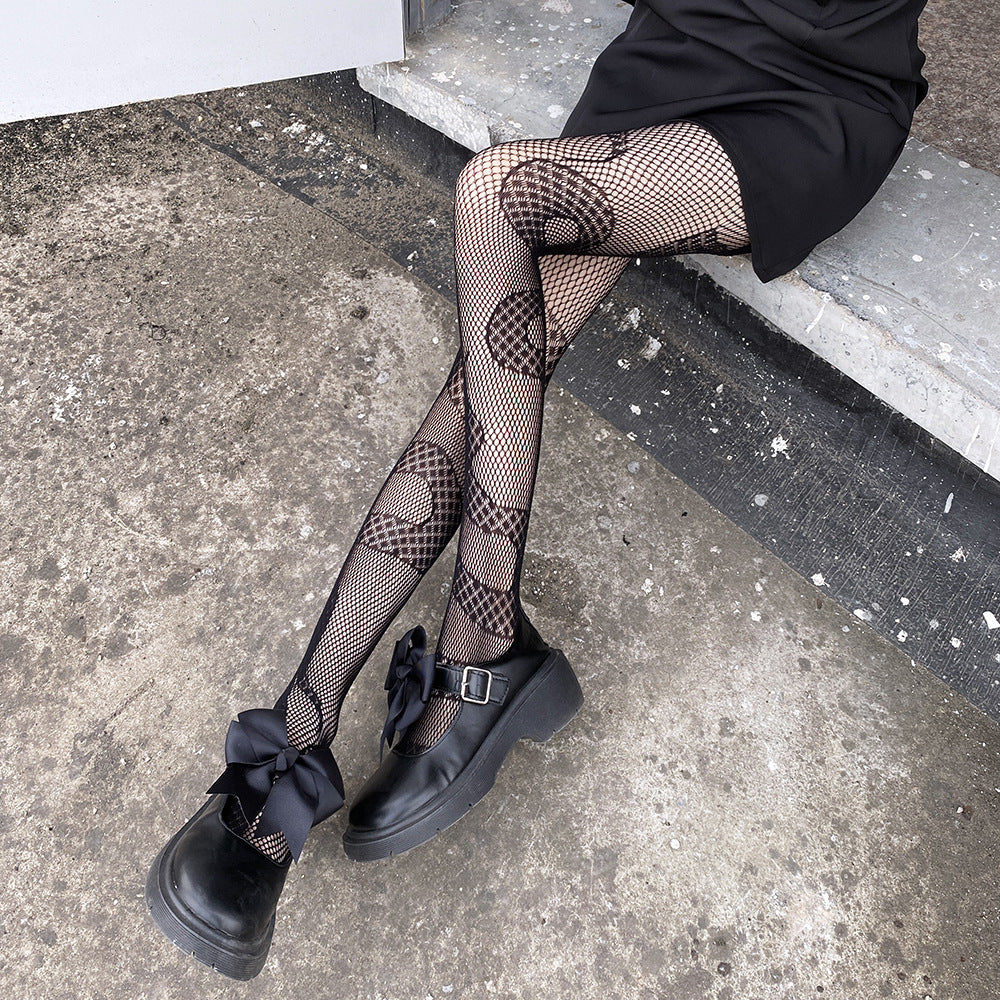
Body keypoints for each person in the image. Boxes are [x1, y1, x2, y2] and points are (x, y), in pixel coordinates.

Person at [145, 0, 928, 979]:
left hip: (814, 89)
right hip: (675, 49)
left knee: (498, 195)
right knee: (483, 386)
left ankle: (480, 639)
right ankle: (306, 726)